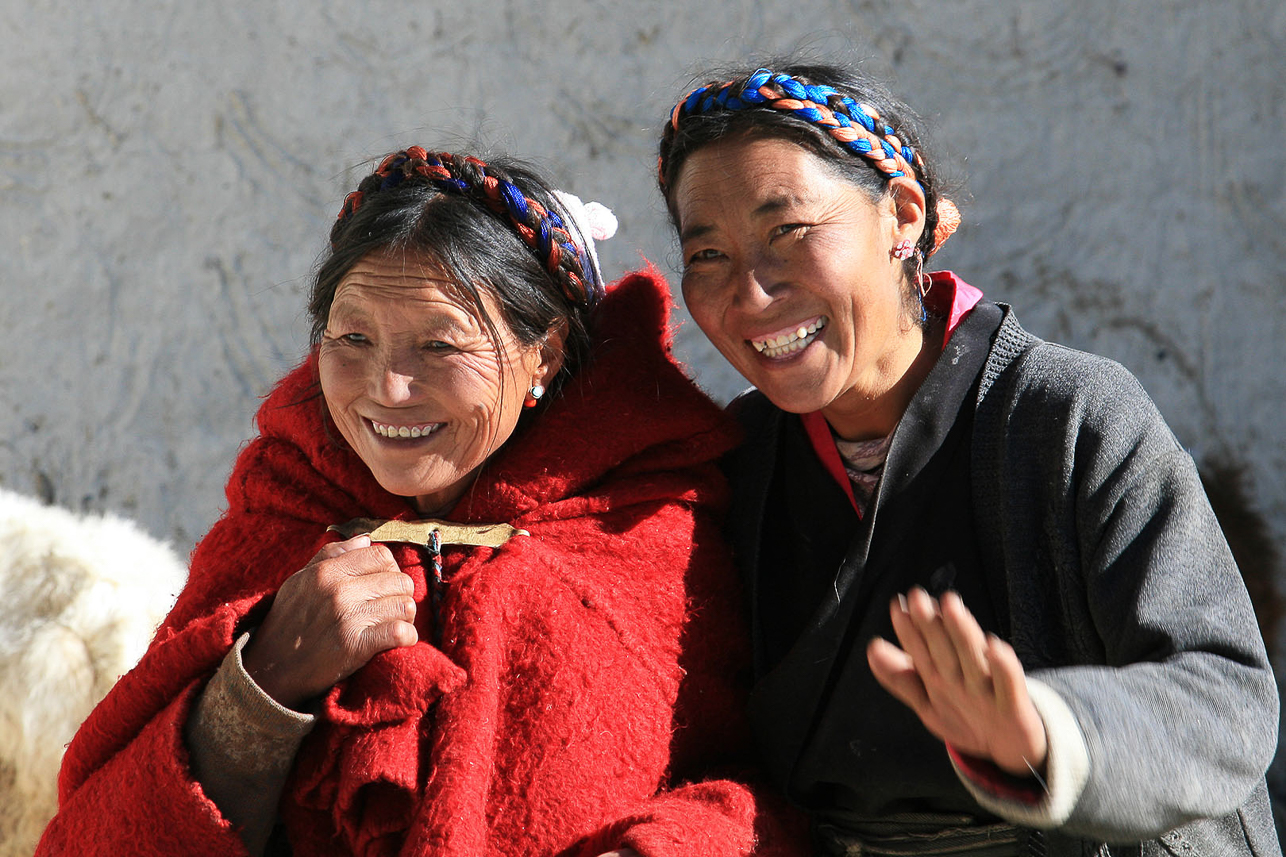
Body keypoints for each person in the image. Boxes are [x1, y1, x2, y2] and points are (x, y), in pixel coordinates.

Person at [38, 147, 807, 857]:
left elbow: (757, 789)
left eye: (439, 345)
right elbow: (97, 833)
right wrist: (264, 680)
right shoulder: (284, 515)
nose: (388, 389)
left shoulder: (643, 530)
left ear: (544, 352)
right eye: (353, 339)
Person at [656, 62, 1281, 856]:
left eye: (788, 230)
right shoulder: (736, 466)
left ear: (902, 218)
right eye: (707, 255)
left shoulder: (1070, 414)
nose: (749, 293)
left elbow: (1225, 698)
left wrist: (1047, 729)